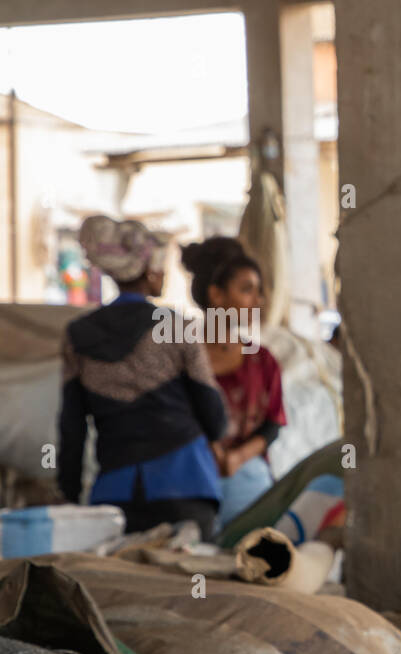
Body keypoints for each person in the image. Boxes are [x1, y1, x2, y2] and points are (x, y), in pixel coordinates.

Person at [58, 215, 226, 538]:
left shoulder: (77, 335)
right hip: (185, 485)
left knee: (124, 585)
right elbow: (215, 419)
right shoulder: (175, 326)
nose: (163, 274)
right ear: (148, 271)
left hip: (116, 494)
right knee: (188, 581)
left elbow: (71, 427)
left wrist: (70, 495)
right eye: (161, 267)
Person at [180, 237, 286, 532]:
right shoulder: (179, 358)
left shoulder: (263, 361)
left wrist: (236, 458)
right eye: (247, 289)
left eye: (258, 291)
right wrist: (212, 452)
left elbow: (273, 424)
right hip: (190, 475)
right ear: (216, 295)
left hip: (247, 474)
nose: (258, 300)